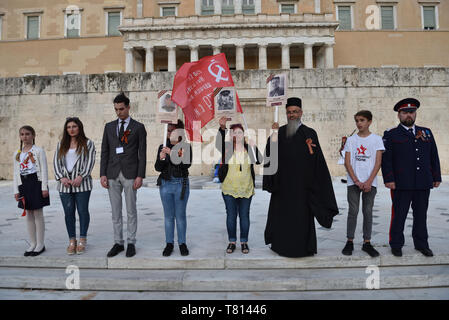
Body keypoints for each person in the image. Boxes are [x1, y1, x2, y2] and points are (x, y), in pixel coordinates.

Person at [263, 97, 338, 258]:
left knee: (302, 221)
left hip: (304, 188)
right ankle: (281, 247)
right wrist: (273, 137)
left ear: (301, 113)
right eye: (289, 112)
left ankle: (304, 248)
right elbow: (271, 156)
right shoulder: (280, 133)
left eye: (295, 111)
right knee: (283, 220)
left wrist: (318, 184)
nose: (292, 115)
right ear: (286, 114)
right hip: (283, 188)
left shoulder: (310, 133)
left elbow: (318, 162)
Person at [381, 98, 441, 257]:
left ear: (415, 114)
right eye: (405, 112)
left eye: (412, 112)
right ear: (398, 115)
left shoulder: (426, 132)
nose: (409, 115)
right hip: (401, 183)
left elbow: (433, 156)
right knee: (399, 215)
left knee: (421, 215)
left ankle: (421, 244)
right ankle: (396, 244)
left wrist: (436, 176)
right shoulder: (391, 134)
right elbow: (386, 160)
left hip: (423, 181)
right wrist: (389, 179)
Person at [100, 93, 147, 258]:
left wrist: (140, 175)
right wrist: (102, 174)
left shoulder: (139, 127)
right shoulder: (109, 127)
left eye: (121, 109)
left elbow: (142, 153)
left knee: (131, 210)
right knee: (115, 211)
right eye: (116, 109)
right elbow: (105, 151)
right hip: (112, 173)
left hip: (130, 173)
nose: (119, 112)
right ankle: (118, 242)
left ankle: (131, 242)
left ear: (128, 107)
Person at [341, 110, 385, 257]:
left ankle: (367, 242)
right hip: (354, 182)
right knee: (353, 211)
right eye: (357, 121)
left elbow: (378, 162)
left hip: (369, 182)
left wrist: (368, 181)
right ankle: (349, 241)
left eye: (362, 120)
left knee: (368, 211)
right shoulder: (351, 140)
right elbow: (347, 162)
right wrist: (356, 180)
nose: (359, 123)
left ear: (370, 122)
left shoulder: (377, 139)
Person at [217, 117, 262, 254]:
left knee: (244, 215)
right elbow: (219, 143)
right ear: (231, 135)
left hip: (246, 188)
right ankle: (231, 242)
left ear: (244, 134)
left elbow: (259, 160)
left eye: (239, 132)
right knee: (231, 216)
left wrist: (254, 146)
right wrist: (222, 127)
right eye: (234, 132)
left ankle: (244, 242)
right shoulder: (227, 148)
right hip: (229, 188)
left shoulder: (249, 148)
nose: (237, 135)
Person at [53, 117, 96, 255]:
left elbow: (90, 161)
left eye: (74, 126)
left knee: (83, 211)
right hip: (65, 185)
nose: (71, 129)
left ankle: (82, 238)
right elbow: (56, 163)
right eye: (69, 127)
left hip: (82, 184)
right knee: (68, 213)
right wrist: (61, 177)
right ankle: (72, 240)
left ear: (79, 127)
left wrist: (81, 176)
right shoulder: (61, 144)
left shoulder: (88, 143)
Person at [155, 120, 192, 257]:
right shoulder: (163, 146)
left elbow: (185, 165)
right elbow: (158, 168)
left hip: (180, 184)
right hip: (165, 184)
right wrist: (161, 157)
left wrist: (172, 153)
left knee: (180, 216)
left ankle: (182, 243)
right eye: (168, 130)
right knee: (168, 216)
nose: (170, 133)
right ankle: (169, 243)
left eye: (172, 130)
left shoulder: (185, 147)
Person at [13, 125, 49, 256]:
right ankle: (32, 243)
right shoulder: (17, 153)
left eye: (27, 134)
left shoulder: (38, 151)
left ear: (33, 136)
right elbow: (15, 173)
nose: (25, 137)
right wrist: (16, 189)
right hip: (24, 184)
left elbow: (44, 169)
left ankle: (40, 244)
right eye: (22, 134)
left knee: (38, 213)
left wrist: (44, 187)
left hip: (36, 182)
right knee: (28, 213)